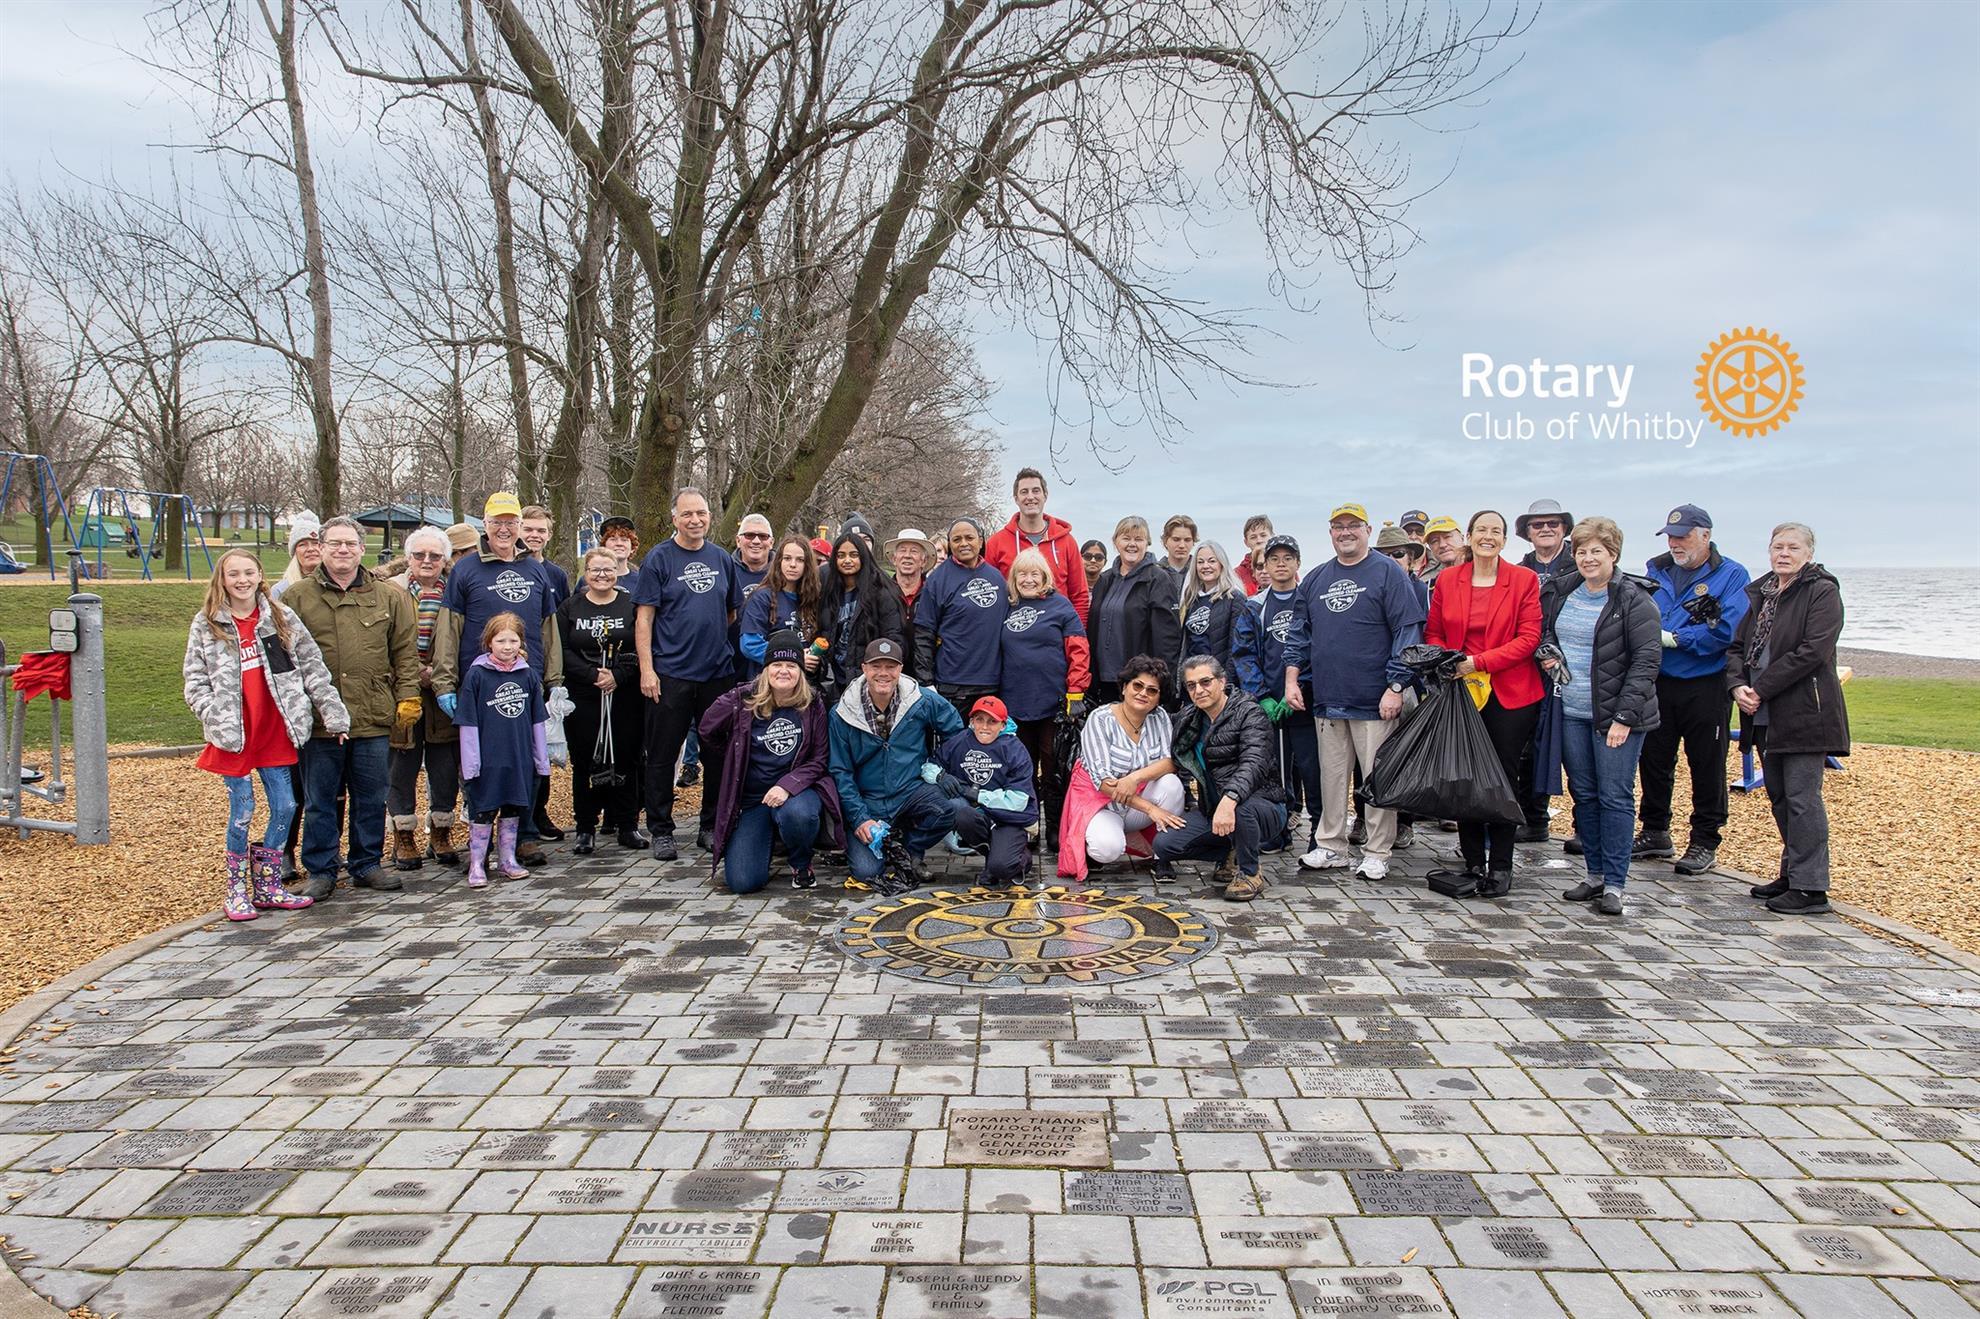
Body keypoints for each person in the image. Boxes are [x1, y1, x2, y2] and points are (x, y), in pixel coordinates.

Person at [183, 549, 348, 920]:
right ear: (222, 580)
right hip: (234, 733)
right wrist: (213, 713)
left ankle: (269, 883)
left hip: (274, 727)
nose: (242, 580)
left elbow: (312, 667)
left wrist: (333, 714)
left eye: (249, 572)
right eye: (233, 574)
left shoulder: (280, 617)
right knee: (242, 810)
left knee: (286, 805)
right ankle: (236, 889)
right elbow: (194, 679)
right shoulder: (208, 623)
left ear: (260, 575)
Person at [1284, 502, 1426, 882]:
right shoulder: (1316, 579)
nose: (1345, 532)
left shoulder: (1388, 573)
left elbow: (1407, 632)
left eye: (1353, 525)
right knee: (1331, 779)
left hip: (1375, 700)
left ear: (1367, 531)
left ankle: (1377, 851)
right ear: (1331, 533)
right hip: (1328, 699)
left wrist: (1396, 685)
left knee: (1377, 779)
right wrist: (1291, 679)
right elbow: (1299, 634)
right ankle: (1331, 845)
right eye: (1338, 526)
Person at [285, 515, 421, 899]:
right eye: (334, 543)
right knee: (319, 800)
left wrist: (407, 697)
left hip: (372, 714)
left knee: (371, 796)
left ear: (362, 549)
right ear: (321, 548)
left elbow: (404, 654)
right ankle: (321, 869)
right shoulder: (297, 598)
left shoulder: (389, 597)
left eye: (350, 544)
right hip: (320, 719)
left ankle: (366, 863)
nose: (342, 550)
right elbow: (283, 658)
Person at [1539, 516, 1662, 917]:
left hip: (1616, 716)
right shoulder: (1562, 591)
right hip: (1570, 710)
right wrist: (1548, 652)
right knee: (1585, 794)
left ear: (1613, 554)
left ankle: (1615, 883)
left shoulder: (1634, 599)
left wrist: (1624, 717)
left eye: (1596, 551)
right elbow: (1546, 633)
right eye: (1581, 551)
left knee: (1615, 796)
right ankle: (1593, 874)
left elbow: (1646, 661)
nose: (1588, 558)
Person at [432, 492, 565, 866]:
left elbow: (548, 628)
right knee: (481, 766)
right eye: (497, 523)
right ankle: (481, 841)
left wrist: (554, 679)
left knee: (527, 761)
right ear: (485, 525)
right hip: (480, 686)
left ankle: (523, 837)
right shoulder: (466, 570)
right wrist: (445, 682)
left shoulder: (535, 570)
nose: (504, 529)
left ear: (519, 525)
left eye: (511, 522)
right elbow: (449, 629)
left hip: (527, 683)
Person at [1727, 523, 1848, 916]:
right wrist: (1738, 686)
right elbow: (1738, 647)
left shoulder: (1822, 591)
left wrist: (1762, 688)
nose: (1784, 554)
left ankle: (1812, 889)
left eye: (1793, 547)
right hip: (1763, 712)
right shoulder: (1763, 593)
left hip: (1804, 711)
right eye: (1778, 547)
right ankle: (1793, 874)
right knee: (1779, 796)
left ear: (1809, 553)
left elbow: (1813, 651)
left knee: (1802, 799)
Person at [1424, 510, 1544, 895]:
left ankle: (1502, 864)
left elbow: (1529, 638)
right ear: (1469, 536)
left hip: (1510, 692)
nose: (1487, 536)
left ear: (1504, 540)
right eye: (1480, 530)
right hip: (1462, 691)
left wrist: (1478, 662)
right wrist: (1450, 660)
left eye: (1495, 531)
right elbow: (1434, 632)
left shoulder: (1523, 580)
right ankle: (1473, 861)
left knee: (1502, 777)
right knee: (1464, 775)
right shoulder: (1449, 579)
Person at [633, 486, 749, 860]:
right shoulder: (658, 559)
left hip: (716, 674)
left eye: (701, 513)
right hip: (670, 674)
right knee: (662, 755)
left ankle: (709, 826)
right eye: (687, 514)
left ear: (709, 517)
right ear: (675, 518)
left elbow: (731, 612)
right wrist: (647, 670)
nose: (695, 520)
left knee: (716, 756)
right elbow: (644, 618)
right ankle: (661, 830)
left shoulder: (721, 559)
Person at [1635, 504, 1751, 876]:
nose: (1675, 543)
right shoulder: (1657, 571)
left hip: (1706, 682)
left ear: (1705, 535)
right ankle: (1655, 830)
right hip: (1660, 680)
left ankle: (1705, 839)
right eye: (1671, 536)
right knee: (1654, 758)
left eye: (1683, 536)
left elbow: (1729, 628)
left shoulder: (1731, 574)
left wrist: (1678, 638)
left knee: (1706, 763)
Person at [700, 631, 844, 893]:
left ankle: (800, 862)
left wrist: (786, 786)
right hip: (753, 799)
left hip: (796, 793)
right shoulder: (742, 699)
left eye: (792, 665)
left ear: (801, 671)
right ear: (766, 669)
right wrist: (734, 755)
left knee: (798, 815)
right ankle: (769, 840)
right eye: (777, 664)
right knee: (743, 883)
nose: (784, 671)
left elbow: (819, 759)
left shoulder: (813, 704)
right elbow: (707, 729)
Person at [828, 637, 966, 891]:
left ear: (900, 669)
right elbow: (840, 771)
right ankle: (884, 842)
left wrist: (937, 769)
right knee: (867, 872)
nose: (883, 673)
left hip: (910, 791)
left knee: (955, 807)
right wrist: (859, 818)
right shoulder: (841, 713)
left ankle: (911, 849)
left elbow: (957, 734)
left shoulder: (921, 700)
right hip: (868, 802)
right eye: (876, 666)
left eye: (890, 666)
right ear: (864, 668)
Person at [1152, 655, 1286, 902]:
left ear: (1222, 681)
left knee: (1241, 808)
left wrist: (1230, 798)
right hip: (1214, 811)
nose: (1199, 690)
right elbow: (1156, 722)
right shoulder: (1189, 718)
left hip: (1262, 806)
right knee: (1164, 844)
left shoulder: (1250, 713)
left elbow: (1254, 763)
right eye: (1191, 685)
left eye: (1205, 682)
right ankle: (1230, 852)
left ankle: (1250, 872)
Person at [1058, 655, 1186, 880]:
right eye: (1137, 686)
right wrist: (1150, 809)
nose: (1143, 693)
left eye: (1152, 690)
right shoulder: (1100, 719)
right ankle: (1095, 845)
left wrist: (1134, 778)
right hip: (1102, 805)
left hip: (1136, 804)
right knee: (1107, 849)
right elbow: (1104, 783)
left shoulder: (1160, 717)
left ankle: (1161, 856)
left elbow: (1170, 761)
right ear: (1125, 687)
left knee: (1172, 784)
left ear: (1158, 698)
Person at [998, 547, 1090, 850]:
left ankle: (1054, 827)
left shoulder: (1060, 606)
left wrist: (1076, 692)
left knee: (1053, 770)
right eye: (1022, 574)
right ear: (1014, 578)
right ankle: (1029, 827)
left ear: (1045, 576)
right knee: (1021, 770)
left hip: (1053, 704)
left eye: (1034, 574)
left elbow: (1079, 651)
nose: (1028, 579)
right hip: (1015, 703)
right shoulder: (1006, 606)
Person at [384, 526, 463, 872]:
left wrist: (442, 674)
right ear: (409, 558)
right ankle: (403, 835)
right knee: (402, 762)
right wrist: (415, 672)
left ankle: (441, 832)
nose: (427, 561)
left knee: (444, 763)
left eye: (435, 555)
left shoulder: (456, 591)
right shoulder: (391, 591)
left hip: (445, 687)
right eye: (419, 555)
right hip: (403, 687)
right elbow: (381, 641)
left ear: (445, 559)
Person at [558, 548, 646, 854]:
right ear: (586, 574)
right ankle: (585, 827)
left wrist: (619, 675)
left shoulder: (630, 605)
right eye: (595, 570)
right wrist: (592, 674)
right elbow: (562, 648)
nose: (602, 575)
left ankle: (627, 824)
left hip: (624, 692)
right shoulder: (570, 607)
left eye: (608, 569)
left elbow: (641, 644)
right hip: (584, 692)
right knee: (585, 760)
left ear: (617, 572)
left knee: (627, 757)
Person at [454, 612, 551, 887]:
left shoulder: (528, 675)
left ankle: (507, 859)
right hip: (487, 759)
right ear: (489, 642)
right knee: (483, 811)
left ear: (521, 642)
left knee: (512, 809)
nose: (507, 647)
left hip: (518, 758)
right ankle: (477, 862)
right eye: (501, 641)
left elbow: (537, 721)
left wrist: (540, 760)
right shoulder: (476, 676)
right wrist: (471, 764)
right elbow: (468, 723)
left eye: (513, 641)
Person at [1253, 534, 1322, 850]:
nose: (1281, 564)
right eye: (1274, 559)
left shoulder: (1311, 600)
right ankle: (1277, 831)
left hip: (1305, 703)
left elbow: (1318, 648)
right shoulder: (1256, 606)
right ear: (1265, 565)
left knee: (1312, 770)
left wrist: (1299, 685)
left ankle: (1319, 834)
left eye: (1288, 558)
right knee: (1276, 773)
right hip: (1269, 706)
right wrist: (1262, 695)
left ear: (1298, 563)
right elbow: (1245, 654)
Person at [1514, 498, 1577, 843]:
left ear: (1565, 528)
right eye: (1537, 525)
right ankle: (1533, 817)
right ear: (1527, 532)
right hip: (1529, 667)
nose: (1546, 529)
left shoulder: (1579, 565)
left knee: (1575, 748)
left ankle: (1585, 828)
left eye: (1553, 523)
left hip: (1570, 669)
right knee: (1529, 745)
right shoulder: (1518, 570)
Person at [928, 695, 1037, 888]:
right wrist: (939, 776)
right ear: (971, 721)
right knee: (960, 812)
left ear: (1003, 725)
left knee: (1002, 867)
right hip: (980, 814)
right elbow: (930, 764)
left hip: (1009, 817)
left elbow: (1018, 800)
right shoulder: (960, 741)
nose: (985, 727)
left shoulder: (1015, 749)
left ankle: (1021, 859)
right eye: (979, 720)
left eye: (992, 721)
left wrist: (978, 795)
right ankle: (991, 855)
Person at [915, 517, 1010, 720]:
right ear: (950, 544)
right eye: (957, 539)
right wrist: (926, 681)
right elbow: (923, 634)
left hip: (992, 683)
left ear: (981, 541)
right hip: (953, 684)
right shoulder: (938, 580)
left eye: (969, 537)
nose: (963, 543)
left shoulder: (997, 578)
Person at [1088, 516, 1183, 705]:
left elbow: (1168, 640)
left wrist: (1161, 683)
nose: (1132, 544)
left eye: (1138, 539)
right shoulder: (1105, 579)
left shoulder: (1158, 580)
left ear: (1147, 543)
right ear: (1116, 542)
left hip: (1140, 683)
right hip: (1104, 680)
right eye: (1126, 538)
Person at [984, 467, 1092, 624]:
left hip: (1058, 631)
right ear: (1016, 498)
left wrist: (1076, 633)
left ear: (1045, 495)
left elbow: (1079, 596)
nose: (1030, 497)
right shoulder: (996, 543)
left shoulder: (1067, 542)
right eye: (1024, 492)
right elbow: (990, 596)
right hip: (1013, 631)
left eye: (1036, 491)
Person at [814, 531, 907, 706]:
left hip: (867, 680)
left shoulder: (882, 592)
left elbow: (894, 639)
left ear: (863, 557)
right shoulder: (828, 591)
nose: (847, 560)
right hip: (833, 680)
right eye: (841, 555)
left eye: (854, 555)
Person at [1176, 541, 1263, 696]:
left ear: (1221, 564)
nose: (1206, 566)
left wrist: (1225, 685)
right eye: (1200, 562)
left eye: (1212, 561)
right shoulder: (1191, 600)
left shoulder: (1235, 598)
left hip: (1219, 685)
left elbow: (1237, 648)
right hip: (1194, 683)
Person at [740, 535, 823, 677]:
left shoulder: (812, 598)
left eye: (800, 560)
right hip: (768, 680)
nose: (793, 564)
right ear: (779, 561)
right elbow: (750, 645)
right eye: (787, 558)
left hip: (802, 681)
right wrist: (794, 656)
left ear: (808, 565)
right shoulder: (762, 597)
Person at [519, 505, 571, 610]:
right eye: (528, 530)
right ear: (517, 531)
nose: (535, 535)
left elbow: (564, 614)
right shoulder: (505, 571)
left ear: (549, 535)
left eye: (541, 531)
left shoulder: (558, 575)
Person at [887, 527, 937, 624]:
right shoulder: (882, 591)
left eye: (914, 551)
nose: (907, 555)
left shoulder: (933, 593)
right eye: (902, 550)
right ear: (894, 559)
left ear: (924, 561)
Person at [275, 513, 322, 595]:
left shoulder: (339, 585)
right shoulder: (281, 590)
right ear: (295, 552)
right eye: (302, 545)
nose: (310, 549)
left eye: (315, 543)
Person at [1419, 516, 1463, 588]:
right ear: (1429, 547)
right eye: (1434, 541)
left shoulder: (1480, 570)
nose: (1442, 545)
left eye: (1447, 537)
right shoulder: (1429, 586)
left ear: (1462, 537)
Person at [1234, 515, 1273, 596]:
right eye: (1253, 537)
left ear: (1272, 537)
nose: (1259, 540)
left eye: (1263, 535)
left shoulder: (1283, 567)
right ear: (1246, 542)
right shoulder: (1237, 574)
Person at [1159, 514, 1198, 586]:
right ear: (1165, 541)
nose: (1182, 545)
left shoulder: (1200, 571)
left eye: (1187, 540)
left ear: (1193, 542)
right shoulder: (1154, 573)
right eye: (1176, 539)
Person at [599, 516, 639, 581]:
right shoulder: (590, 580)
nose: (619, 543)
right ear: (604, 546)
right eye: (613, 539)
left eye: (624, 540)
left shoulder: (641, 581)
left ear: (632, 548)